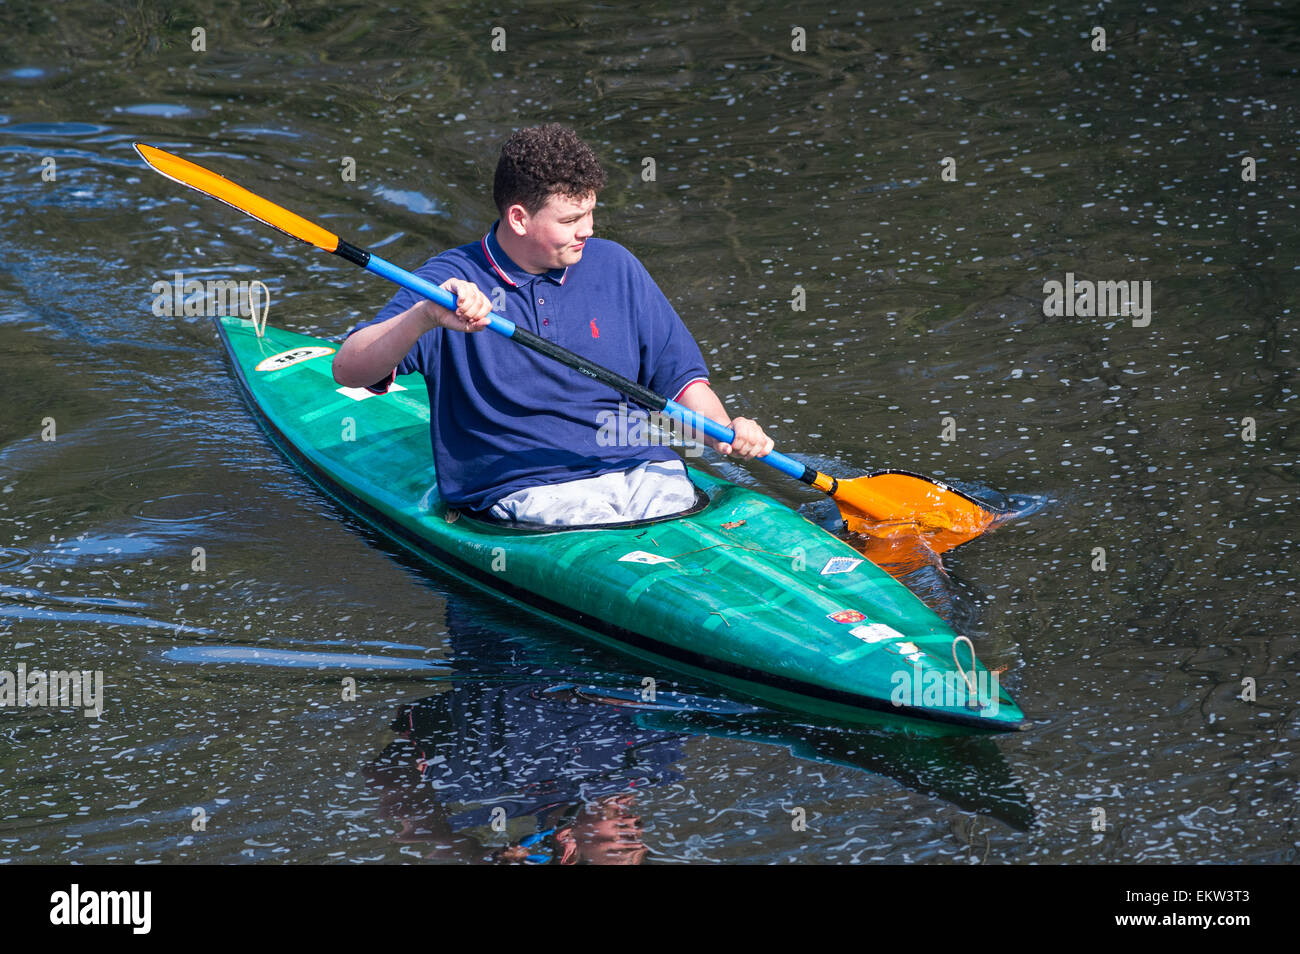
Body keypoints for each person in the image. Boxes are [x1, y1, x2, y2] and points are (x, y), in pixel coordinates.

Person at [333, 124, 773, 526]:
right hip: (527, 487)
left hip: (643, 470)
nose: (587, 230)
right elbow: (349, 370)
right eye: (570, 220)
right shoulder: (448, 281)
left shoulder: (616, 266)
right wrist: (425, 315)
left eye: (590, 214)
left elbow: (680, 382)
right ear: (519, 218)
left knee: (683, 512)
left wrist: (724, 431)